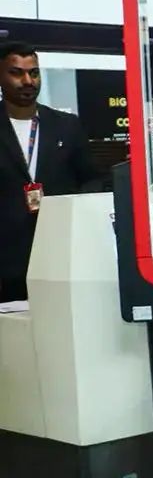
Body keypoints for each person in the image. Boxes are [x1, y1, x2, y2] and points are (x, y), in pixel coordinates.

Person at [1, 43, 99, 302]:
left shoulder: (66, 126)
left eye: (33, 73)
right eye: (16, 72)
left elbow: (93, 179)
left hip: (60, 255)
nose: (27, 81)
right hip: (6, 261)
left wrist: (70, 210)